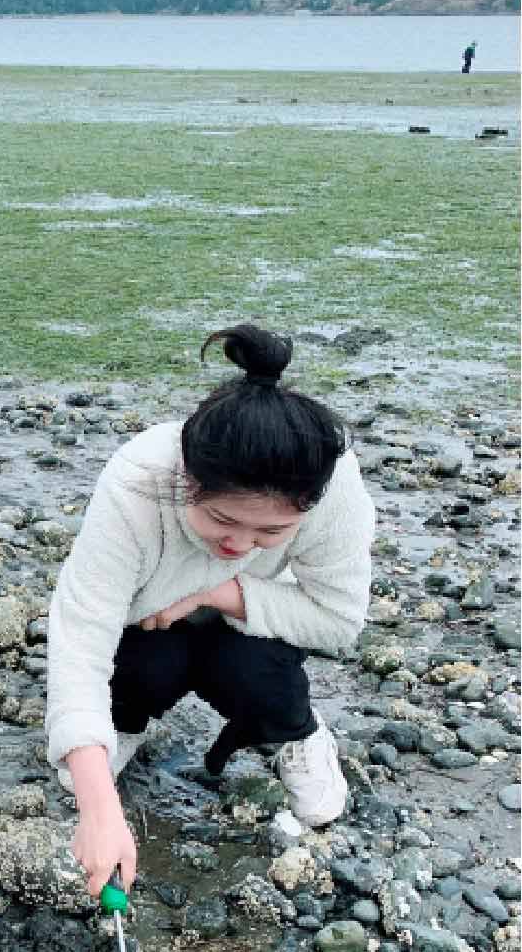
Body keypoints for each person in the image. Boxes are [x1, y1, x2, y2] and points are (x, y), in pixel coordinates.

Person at [46, 324, 375, 898]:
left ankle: (298, 733)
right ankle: (115, 731)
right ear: (187, 481)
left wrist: (215, 593)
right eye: (223, 521)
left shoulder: (332, 484)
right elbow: (79, 638)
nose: (239, 545)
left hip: (251, 629)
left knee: (253, 675)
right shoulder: (139, 485)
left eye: (271, 531)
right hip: (147, 625)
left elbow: (340, 621)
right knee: (141, 671)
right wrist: (99, 807)